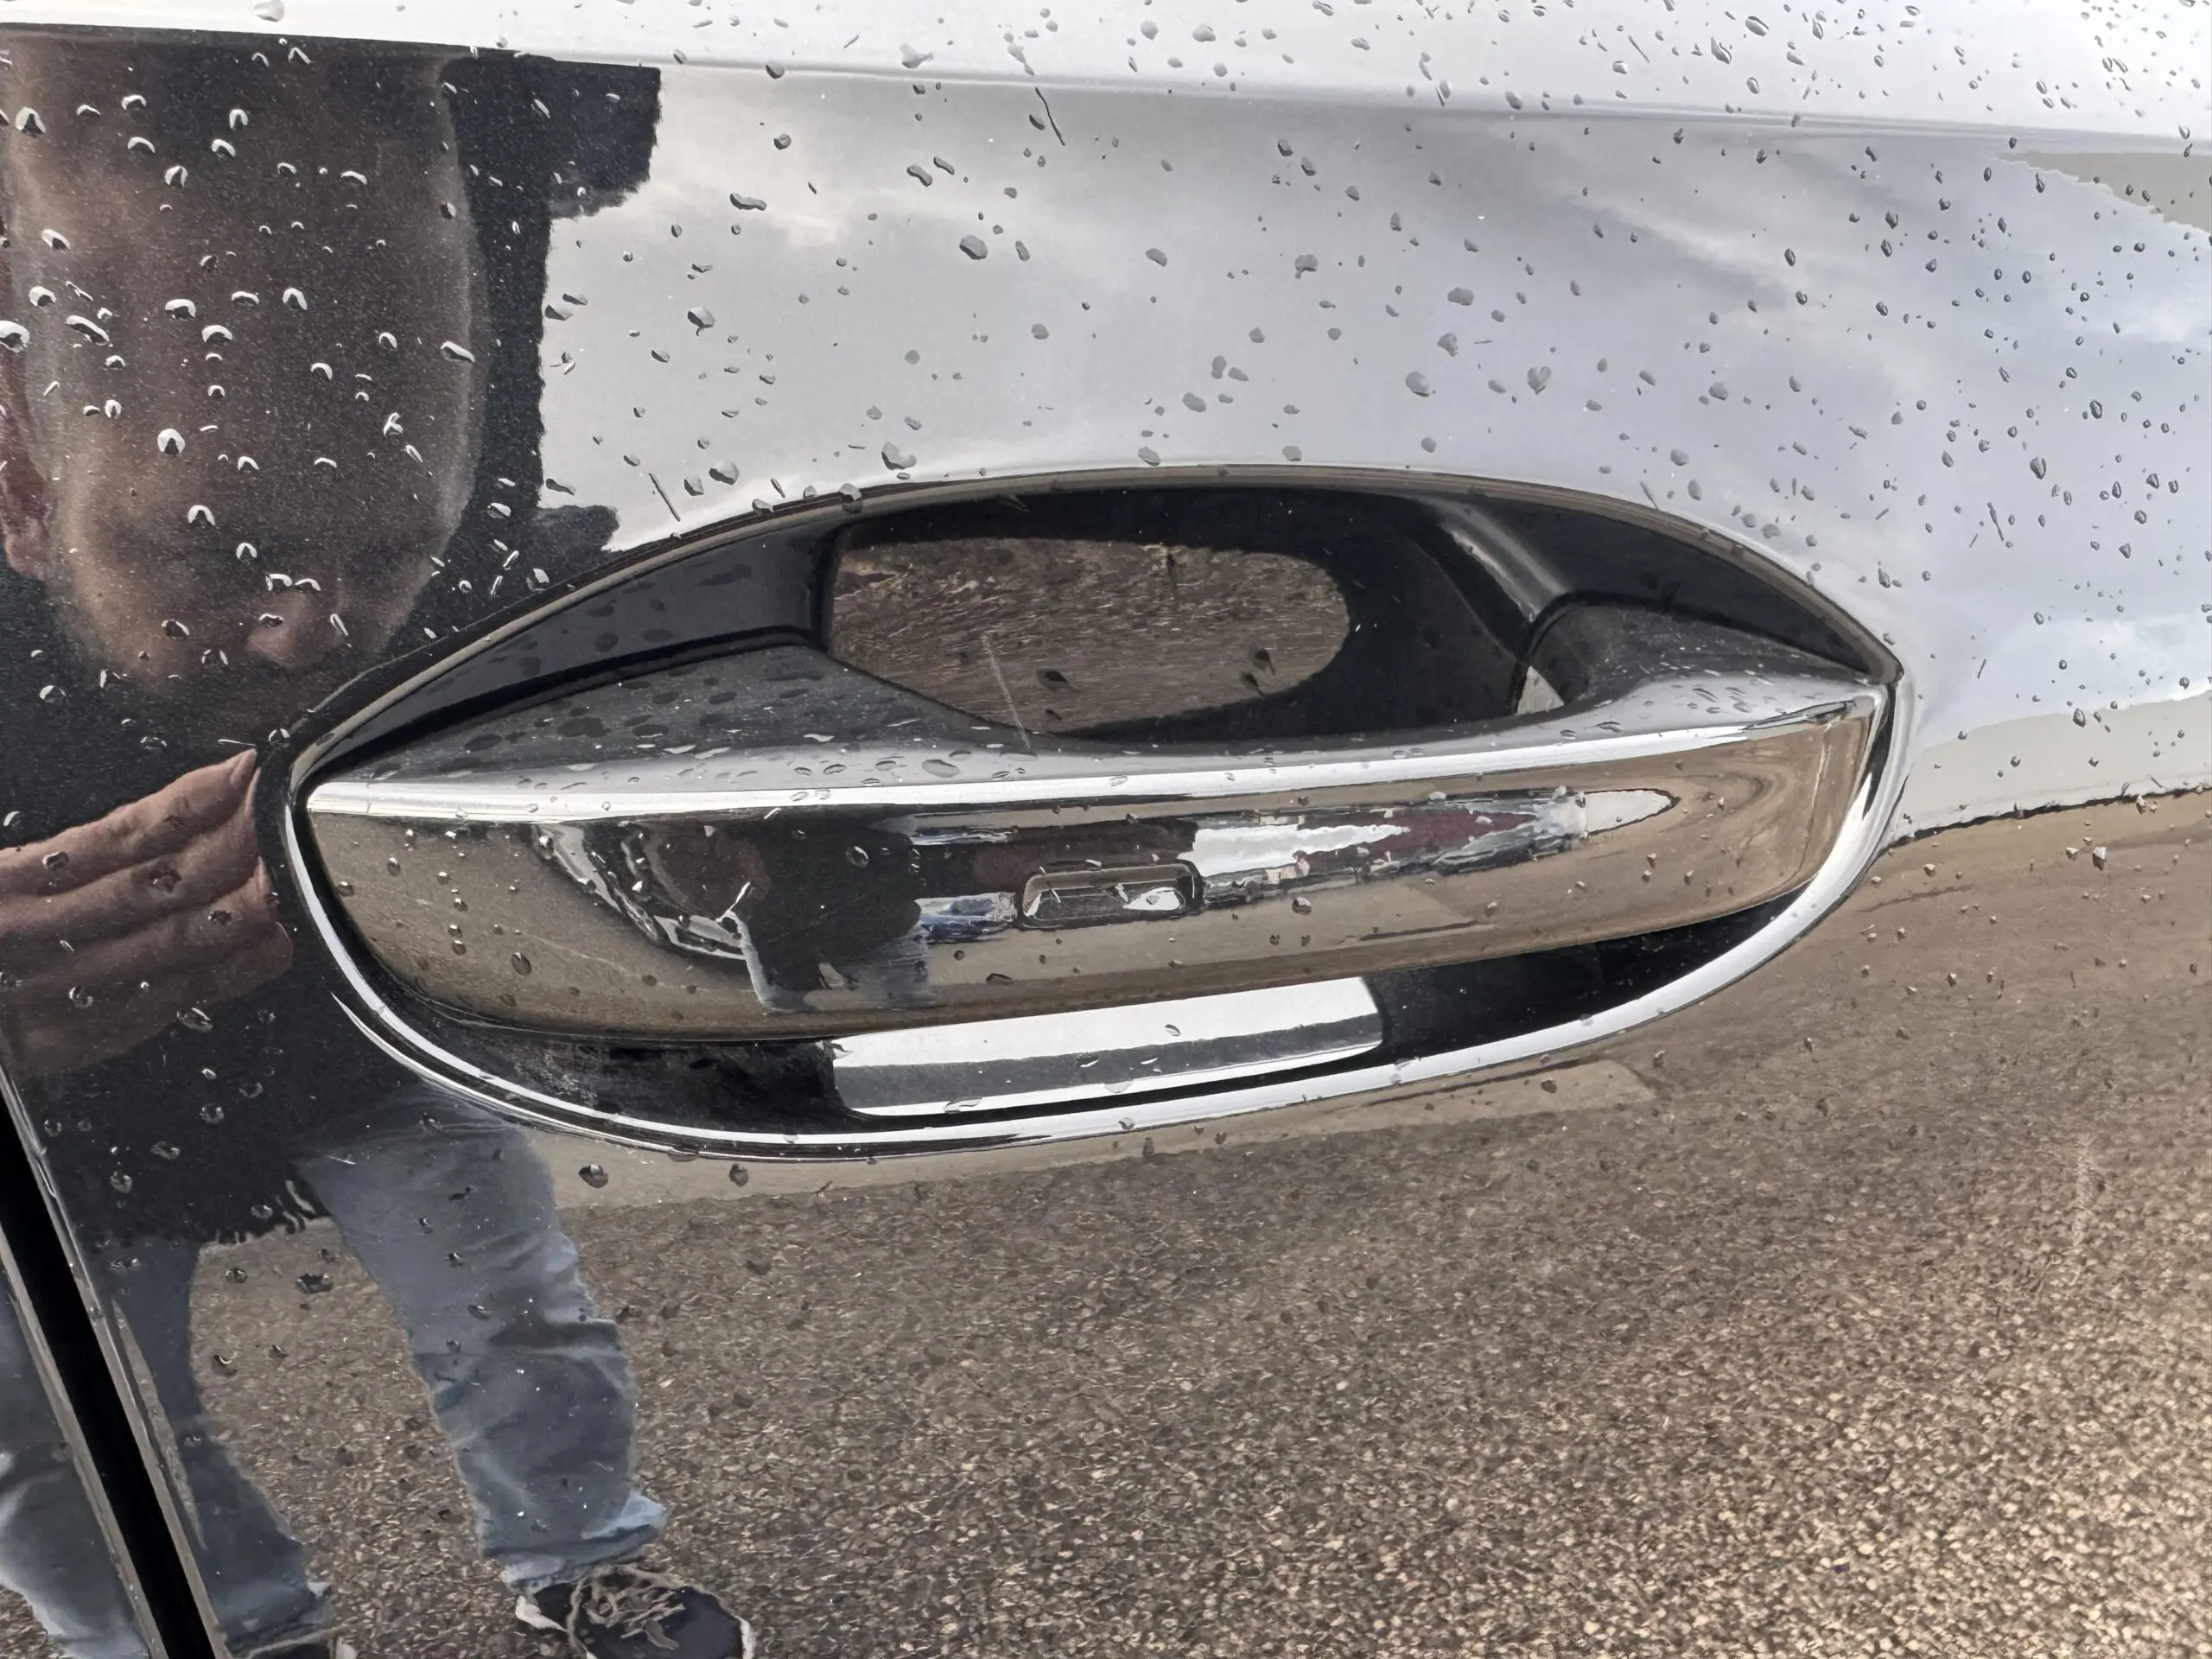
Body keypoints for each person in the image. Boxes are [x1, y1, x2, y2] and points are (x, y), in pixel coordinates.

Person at [0, 34, 750, 1658]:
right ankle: (227, 1632)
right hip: (34, 1078)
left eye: (386, 551)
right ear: (20, 476)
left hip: (354, 990)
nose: (307, 634)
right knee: (41, 1426)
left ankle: (587, 1558)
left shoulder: (495, 270)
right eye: (222, 549)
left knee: (516, 1306)